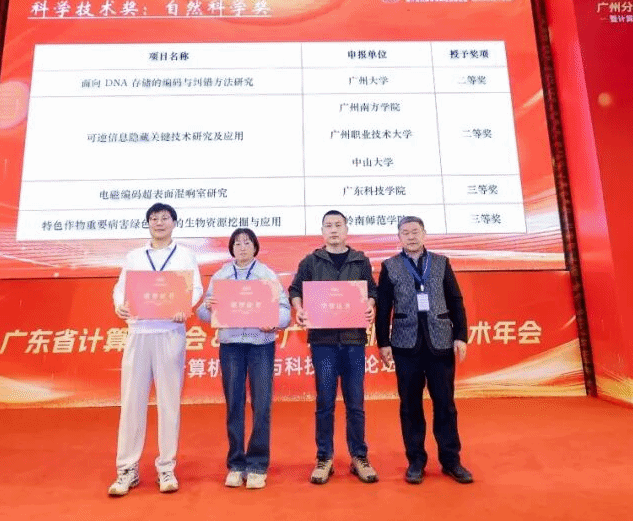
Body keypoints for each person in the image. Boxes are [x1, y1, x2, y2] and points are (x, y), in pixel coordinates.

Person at [108, 203, 203, 497]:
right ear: (148, 223)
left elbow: (195, 288)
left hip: (169, 332)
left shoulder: (185, 255)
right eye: (153, 218)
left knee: (169, 402)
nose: (159, 222)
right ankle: (127, 469)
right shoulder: (134, 256)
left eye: (164, 218)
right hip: (138, 332)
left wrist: (185, 306)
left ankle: (166, 467)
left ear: (174, 223)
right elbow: (120, 288)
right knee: (131, 402)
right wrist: (120, 306)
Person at [375, 215, 473, 485]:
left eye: (415, 231)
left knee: (445, 405)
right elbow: (383, 308)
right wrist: (383, 342)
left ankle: (451, 461)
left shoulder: (441, 263)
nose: (411, 236)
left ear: (424, 234)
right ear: (399, 237)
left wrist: (461, 336)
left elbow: (456, 300)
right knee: (410, 406)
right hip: (405, 345)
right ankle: (416, 461)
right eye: (405, 232)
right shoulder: (390, 266)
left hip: (440, 342)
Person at [197, 228, 291, 490]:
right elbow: (203, 313)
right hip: (231, 346)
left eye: (247, 243)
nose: (242, 247)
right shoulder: (221, 276)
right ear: (231, 248)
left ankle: (258, 464)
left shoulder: (267, 275)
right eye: (237, 243)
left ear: (255, 247)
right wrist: (208, 307)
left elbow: (285, 312)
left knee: (262, 404)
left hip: (261, 345)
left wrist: (273, 321)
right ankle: (236, 464)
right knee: (234, 405)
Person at [289, 210, 378, 485]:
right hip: (323, 342)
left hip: (353, 340)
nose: (334, 229)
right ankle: (324, 458)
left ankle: (359, 457)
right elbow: (295, 290)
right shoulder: (311, 261)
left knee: (355, 403)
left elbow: (372, 291)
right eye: (328, 225)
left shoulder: (360, 260)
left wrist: (371, 305)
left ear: (347, 229)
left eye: (338, 225)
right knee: (325, 403)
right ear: (322, 231)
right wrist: (299, 309)